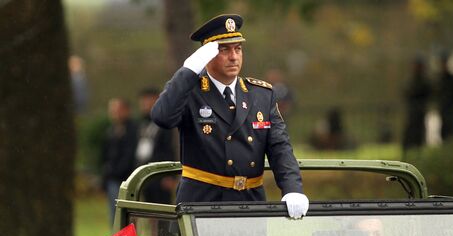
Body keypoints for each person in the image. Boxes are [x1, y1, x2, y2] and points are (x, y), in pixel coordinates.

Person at [152, 14, 308, 219]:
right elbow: (162, 117)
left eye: (238, 48)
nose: (234, 57)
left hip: (250, 202)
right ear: (206, 56)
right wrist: (188, 71)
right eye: (224, 50)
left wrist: (292, 188)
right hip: (202, 204)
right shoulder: (190, 92)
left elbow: (280, 146)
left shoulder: (261, 94)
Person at [135, 87, 177, 204]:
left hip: (160, 172)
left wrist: (170, 175)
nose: (144, 105)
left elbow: (170, 148)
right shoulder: (141, 123)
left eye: (147, 101)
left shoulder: (165, 123)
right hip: (145, 172)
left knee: (162, 207)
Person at [101, 98, 138, 224]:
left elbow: (130, 155)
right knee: (114, 214)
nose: (114, 113)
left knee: (128, 215)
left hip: (127, 178)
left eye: (117, 110)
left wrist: (117, 170)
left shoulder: (133, 130)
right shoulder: (110, 131)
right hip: (112, 179)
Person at [402, 56, 431, 152]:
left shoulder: (424, 81)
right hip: (412, 111)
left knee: (418, 133)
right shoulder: (411, 81)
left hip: (420, 111)